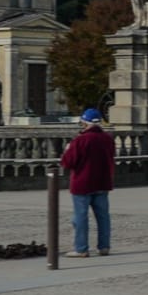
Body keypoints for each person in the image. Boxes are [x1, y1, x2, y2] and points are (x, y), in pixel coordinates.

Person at [60, 107, 115, 257]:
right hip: (103, 182)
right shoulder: (108, 139)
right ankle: (104, 247)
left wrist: (66, 150)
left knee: (80, 217)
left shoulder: (80, 140)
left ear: (85, 123)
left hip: (82, 183)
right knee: (103, 217)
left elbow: (67, 162)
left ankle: (81, 248)